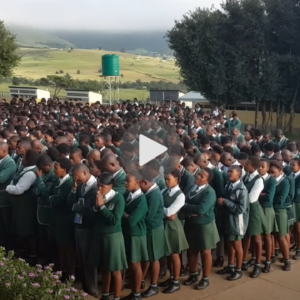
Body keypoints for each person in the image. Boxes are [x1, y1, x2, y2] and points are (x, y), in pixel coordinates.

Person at [89, 172, 127, 300]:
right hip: (99, 236)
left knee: (115, 270)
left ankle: (116, 297)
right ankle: (105, 295)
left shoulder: (118, 198)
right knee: (104, 268)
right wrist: (96, 207)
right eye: (98, 186)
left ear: (111, 186)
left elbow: (115, 220)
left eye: (102, 186)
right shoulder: (98, 196)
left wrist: (102, 207)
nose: (99, 189)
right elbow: (92, 215)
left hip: (112, 238)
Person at [182, 168, 219, 290]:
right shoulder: (189, 189)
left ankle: (205, 278)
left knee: (205, 252)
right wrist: (190, 209)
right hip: (191, 224)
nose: (198, 177)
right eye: (198, 174)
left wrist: (186, 207)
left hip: (204, 226)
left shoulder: (210, 192)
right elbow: (182, 204)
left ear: (207, 180)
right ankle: (193, 275)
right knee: (191, 251)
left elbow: (201, 209)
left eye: (202, 176)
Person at [68, 163, 99, 298]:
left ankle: (92, 289)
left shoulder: (96, 188)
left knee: (88, 260)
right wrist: (74, 190)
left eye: (77, 176)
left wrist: (76, 207)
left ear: (85, 173)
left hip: (89, 228)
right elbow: (71, 203)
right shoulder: (80, 186)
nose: (75, 179)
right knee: (81, 259)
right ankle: (86, 287)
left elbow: (89, 210)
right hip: (78, 225)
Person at [159, 169, 189, 294]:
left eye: (168, 180)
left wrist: (164, 212)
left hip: (173, 227)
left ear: (176, 180)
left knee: (174, 255)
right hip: (164, 224)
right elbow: (157, 206)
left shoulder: (180, 195)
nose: (166, 182)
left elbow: (169, 212)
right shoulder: (164, 191)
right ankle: (171, 278)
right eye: (165, 179)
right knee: (168, 254)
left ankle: (175, 281)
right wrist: (165, 212)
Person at [217, 166, 249, 281]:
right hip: (228, 220)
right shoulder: (228, 185)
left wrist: (226, 202)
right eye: (228, 171)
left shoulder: (242, 190)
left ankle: (238, 269)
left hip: (236, 221)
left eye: (231, 172)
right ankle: (230, 266)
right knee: (229, 244)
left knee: (237, 245)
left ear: (239, 174)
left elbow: (241, 209)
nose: (228, 174)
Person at [7, 149, 39, 263]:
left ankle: (30, 256)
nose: (22, 159)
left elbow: (19, 189)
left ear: (29, 160)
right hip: (19, 207)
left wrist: (8, 188)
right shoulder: (24, 169)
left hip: (26, 208)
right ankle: (22, 252)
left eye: (25, 157)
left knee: (27, 231)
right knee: (20, 230)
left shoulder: (30, 173)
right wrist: (11, 187)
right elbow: (13, 181)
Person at [48, 158, 76, 280]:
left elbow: (58, 200)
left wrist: (52, 198)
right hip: (58, 219)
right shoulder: (58, 180)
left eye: (56, 168)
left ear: (64, 169)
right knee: (60, 246)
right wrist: (53, 198)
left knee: (68, 247)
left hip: (66, 220)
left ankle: (71, 274)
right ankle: (62, 270)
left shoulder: (69, 183)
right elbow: (51, 193)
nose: (54, 170)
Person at [139, 169, 165, 298]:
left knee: (154, 258)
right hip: (151, 229)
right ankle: (142, 280)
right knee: (148, 257)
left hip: (153, 229)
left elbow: (149, 216)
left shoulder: (154, 195)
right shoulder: (150, 192)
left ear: (144, 182)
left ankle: (154, 286)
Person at [122, 172, 148, 300]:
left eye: (128, 181)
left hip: (136, 235)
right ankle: (133, 290)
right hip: (128, 233)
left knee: (135, 264)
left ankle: (136, 294)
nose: (125, 183)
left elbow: (132, 221)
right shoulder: (127, 195)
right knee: (130, 264)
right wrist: (126, 214)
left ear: (137, 182)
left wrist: (126, 215)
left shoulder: (141, 200)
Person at [241, 156, 267, 278]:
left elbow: (252, 198)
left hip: (253, 210)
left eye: (247, 164)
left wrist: (240, 197)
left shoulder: (258, 180)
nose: (245, 166)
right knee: (246, 236)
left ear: (254, 167)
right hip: (245, 209)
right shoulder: (246, 176)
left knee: (256, 238)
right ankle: (244, 261)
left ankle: (257, 264)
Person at [269, 160, 291, 271]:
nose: (271, 174)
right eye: (270, 172)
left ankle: (287, 260)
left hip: (279, 211)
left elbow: (281, 199)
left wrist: (268, 198)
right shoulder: (269, 180)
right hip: (271, 210)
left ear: (280, 171)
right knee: (271, 235)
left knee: (281, 236)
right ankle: (272, 255)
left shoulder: (284, 182)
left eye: (273, 172)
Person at [34, 154, 56, 265]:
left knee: (48, 240)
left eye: (43, 168)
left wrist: (38, 179)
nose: (41, 171)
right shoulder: (44, 173)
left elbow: (46, 192)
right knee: (42, 238)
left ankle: (49, 262)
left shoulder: (53, 175)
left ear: (49, 165)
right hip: (40, 210)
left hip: (48, 213)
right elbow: (37, 190)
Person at [258, 159, 277, 272]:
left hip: (266, 209)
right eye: (259, 166)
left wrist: (258, 193)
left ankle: (268, 261)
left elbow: (269, 197)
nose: (260, 168)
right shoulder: (256, 178)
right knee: (257, 236)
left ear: (267, 168)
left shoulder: (271, 180)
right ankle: (256, 259)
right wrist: (261, 193)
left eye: (263, 166)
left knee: (267, 236)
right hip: (257, 208)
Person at [290, 158, 300, 260]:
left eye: (293, 165)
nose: (291, 166)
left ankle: (299, 249)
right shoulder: (291, 175)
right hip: (292, 203)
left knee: (298, 227)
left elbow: (296, 192)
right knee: (293, 227)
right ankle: (296, 244)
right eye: (290, 164)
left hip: (297, 203)